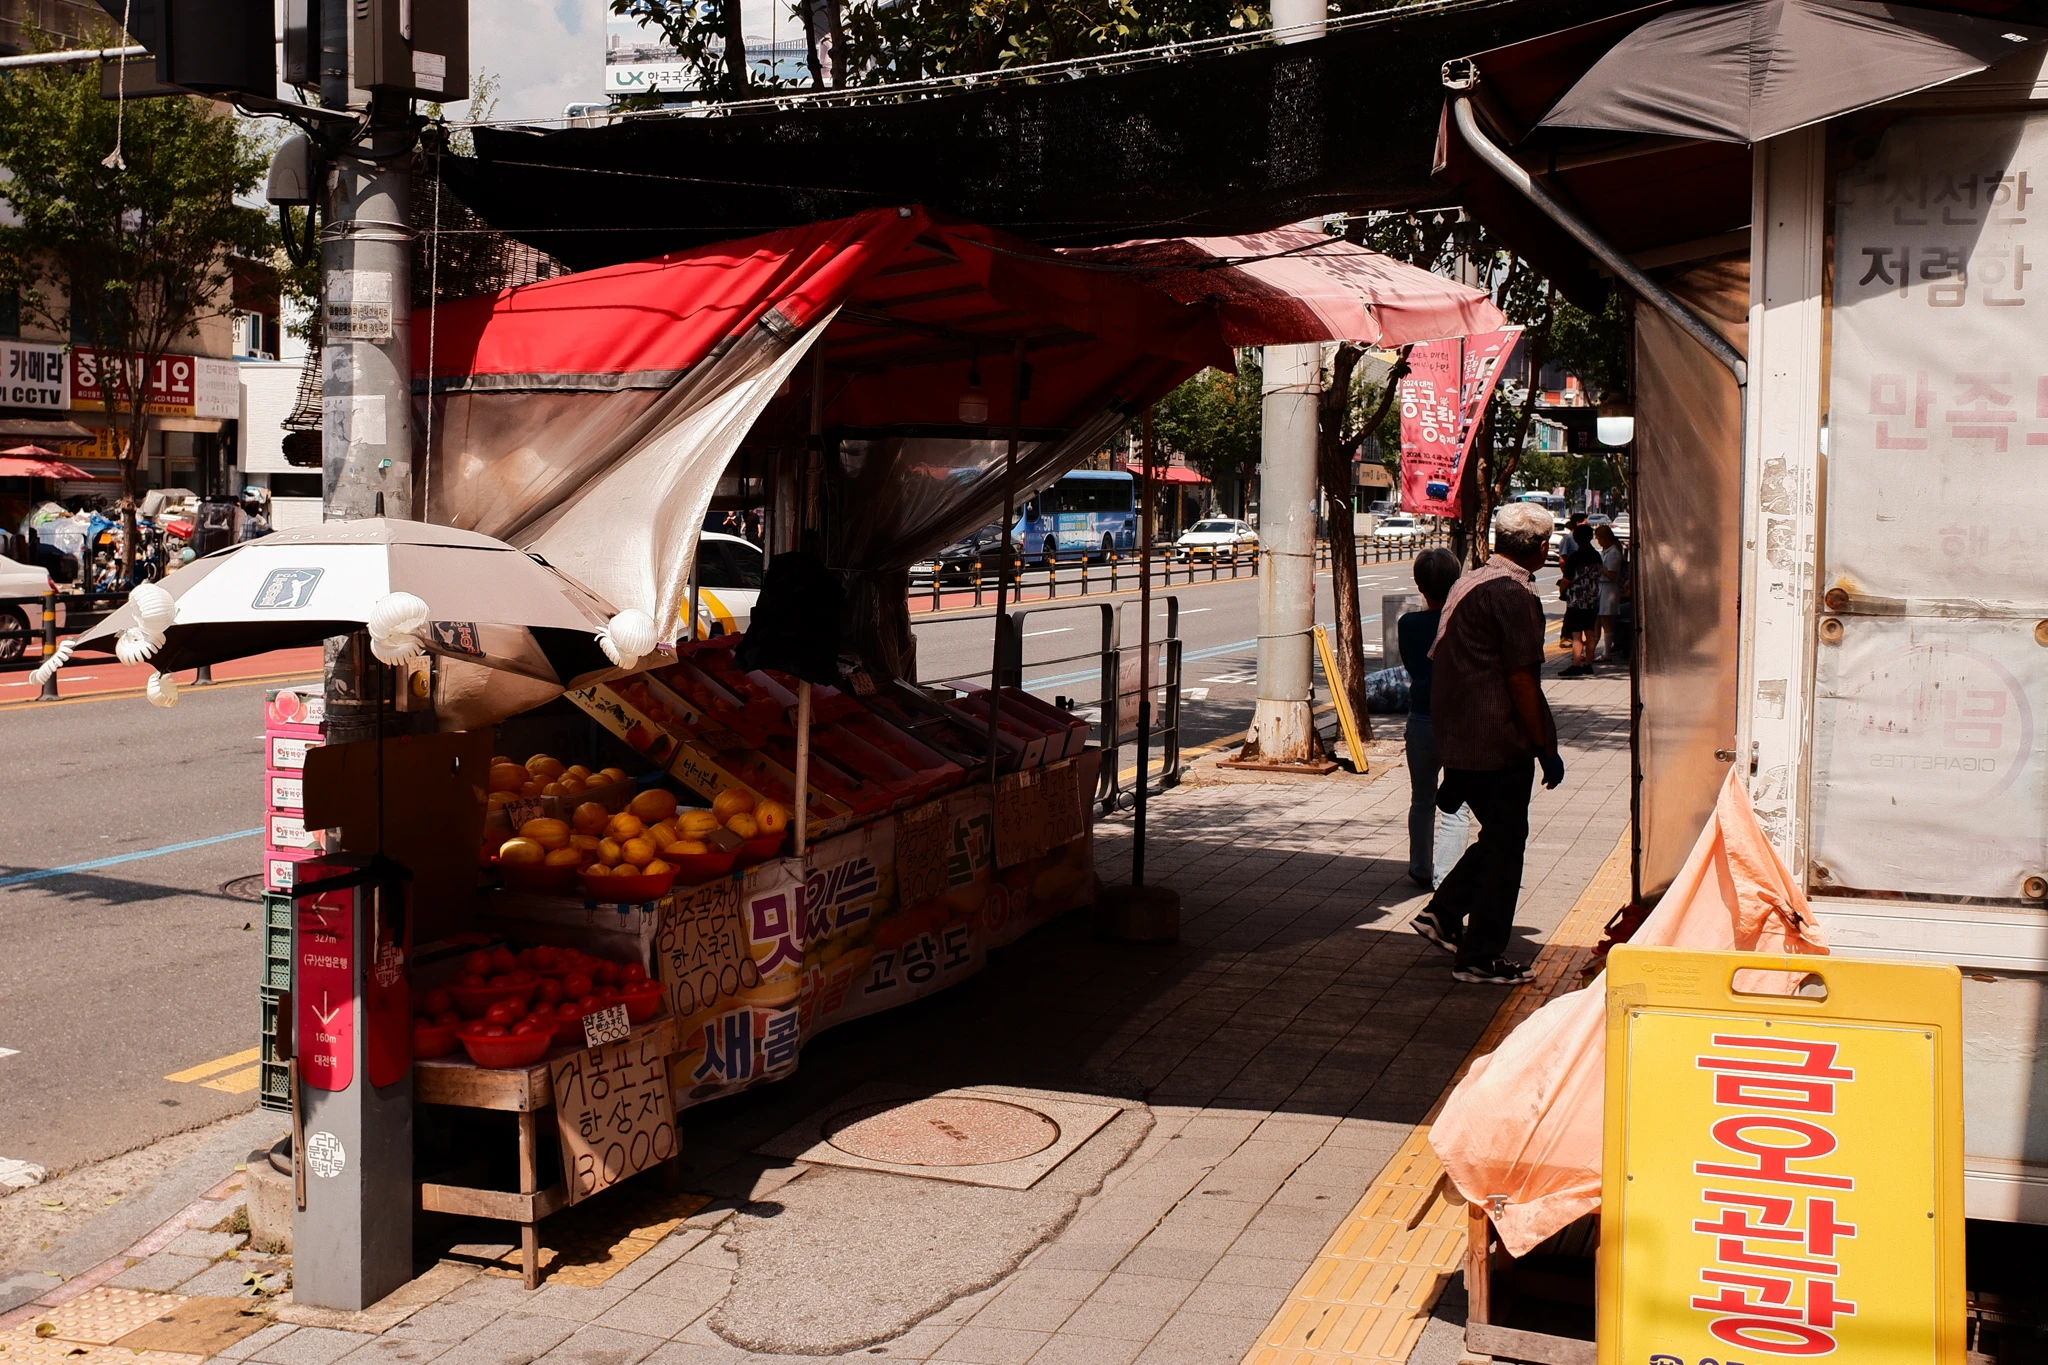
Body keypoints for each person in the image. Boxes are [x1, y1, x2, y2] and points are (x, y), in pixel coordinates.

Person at [1414, 501, 1566, 985]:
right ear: (1540, 547)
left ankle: (1443, 913)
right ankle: (1479, 955)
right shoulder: (1512, 594)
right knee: (1505, 846)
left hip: (1460, 734)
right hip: (1495, 741)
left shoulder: (1472, 580)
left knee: (1501, 836)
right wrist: (1545, 746)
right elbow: (1522, 678)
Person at [1400, 549, 1474, 890]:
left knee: (1422, 798)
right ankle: (1447, 875)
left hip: (1420, 717)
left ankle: (1420, 866)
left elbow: (1412, 666)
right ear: (1456, 581)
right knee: (1457, 803)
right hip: (1459, 719)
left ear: (1419, 585)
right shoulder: (1465, 623)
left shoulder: (1408, 624)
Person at [1557, 523, 1601, 677]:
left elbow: (1566, 579)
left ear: (1575, 539)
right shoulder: (1596, 556)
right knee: (1590, 632)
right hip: (1592, 599)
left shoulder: (1575, 557)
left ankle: (1576, 664)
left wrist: (1561, 590)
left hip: (1576, 599)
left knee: (1576, 634)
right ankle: (1588, 664)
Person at [1594, 524, 1625, 662]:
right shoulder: (1606, 551)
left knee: (1606, 621)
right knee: (1598, 620)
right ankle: (1592, 650)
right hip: (1602, 587)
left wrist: (1600, 569)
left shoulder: (1613, 553)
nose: (1598, 542)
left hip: (1608, 588)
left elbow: (1612, 575)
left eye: (1599, 539)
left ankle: (1606, 653)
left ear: (1605, 538)